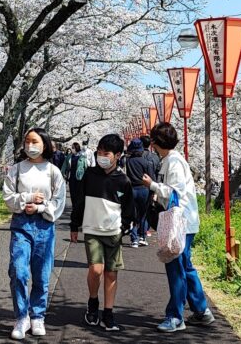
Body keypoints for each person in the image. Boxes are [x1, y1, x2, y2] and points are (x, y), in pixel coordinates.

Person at [3, 126, 69, 340]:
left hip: (44, 226)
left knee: (41, 274)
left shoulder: (53, 171)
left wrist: (40, 208)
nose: (31, 146)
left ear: (45, 145)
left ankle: (37, 316)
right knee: (18, 271)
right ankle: (21, 316)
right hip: (21, 225)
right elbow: (8, 198)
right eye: (28, 142)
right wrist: (27, 200)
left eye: (35, 142)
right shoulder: (16, 169)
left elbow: (58, 203)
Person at [146, 122, 211, 333]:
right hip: (185, 221)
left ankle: (175, 317)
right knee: (186, 266)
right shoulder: (171, 160)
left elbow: (174, 192)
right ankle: (201, 310)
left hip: (179, 222)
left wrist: (152, 185)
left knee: (176, 269)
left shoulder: (173, 162)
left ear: (156, 142)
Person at [73, 133, 130, 332]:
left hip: (113, 232)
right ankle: (93, 302)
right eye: (99, 152)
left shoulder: (123, 180)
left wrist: (124, 227)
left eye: (106, 153)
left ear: (118, 155)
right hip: (91, 229)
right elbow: (79, 200)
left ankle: (108, 312)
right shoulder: (90, 174)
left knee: (111, 273)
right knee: (95, 270)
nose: (102, 156)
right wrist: (74, 225)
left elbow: (129, 208)